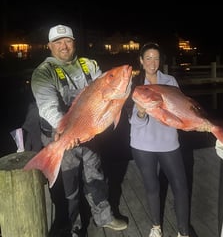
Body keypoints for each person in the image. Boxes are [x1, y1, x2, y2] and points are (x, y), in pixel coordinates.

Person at [31, 24, 128, 237]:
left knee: (96, 176)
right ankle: (72, 228)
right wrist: (63, 129)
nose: (63, 46)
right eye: (57, 42)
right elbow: (47, 105)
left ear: (74, 42)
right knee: (68, 187)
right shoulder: (43, 72)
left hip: (89, 133)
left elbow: (107, 92)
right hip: (61, 136)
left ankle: (104, 216)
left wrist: (123, 88)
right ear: (50, 46)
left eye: (67, 40)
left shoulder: (89, 64)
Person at [128, 42, 190, 237]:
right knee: (152, 187)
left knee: (180, 186)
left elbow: (179, 111)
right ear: (141, 61)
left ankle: (183, 231)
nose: (152, 62)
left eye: (156, 58)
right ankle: (156, 227)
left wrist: (194, 122)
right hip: (142, 144)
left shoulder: (169, 81)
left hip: (168, 142)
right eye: (148, 58)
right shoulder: (134, 85)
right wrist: (139, 114)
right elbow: (133, 123)